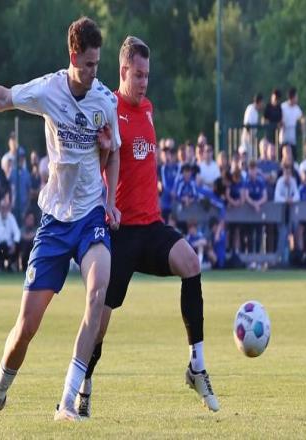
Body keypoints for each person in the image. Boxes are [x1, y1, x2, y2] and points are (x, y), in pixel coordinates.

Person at [0, 16, 121, 421]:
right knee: (26, 326)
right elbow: (1, 98)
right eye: (88, 64)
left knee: (97, 292)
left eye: (98, 64)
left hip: (90, 216)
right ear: (73, 57)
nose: (94, 71)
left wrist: (110, 201)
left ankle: (67, 401)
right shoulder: (49, 89)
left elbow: (113, 151)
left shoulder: (105, 100)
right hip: (55, 220)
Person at [76, 36, 219, 419]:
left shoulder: (149, 109)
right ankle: (83, 388)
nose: (144, 82)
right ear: (123, 71)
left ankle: (197, 367)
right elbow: (96, 162)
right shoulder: (108, 108)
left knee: (191, 263)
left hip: (151, 227)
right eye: (138, 75)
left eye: (147, 75)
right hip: (120, 233)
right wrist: (103, 149)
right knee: (98, 326)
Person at [0, 199, 21, 272]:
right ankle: (0, 265)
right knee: (2, 246)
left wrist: (14, 244)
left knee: (18, 245)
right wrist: (10, 245)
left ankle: (11, 265)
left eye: (5, 207)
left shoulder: (11, 217)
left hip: (10, 245)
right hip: (0, 246)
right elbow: (1, 237)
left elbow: (17, 232)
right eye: (2, 207)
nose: (4, 209)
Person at [280, 88, 304, 158]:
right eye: (296, 97)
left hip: (292, 140)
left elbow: (302, 118)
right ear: (292, 97)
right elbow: (278, 119)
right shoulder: (283, 107)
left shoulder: (297, 108)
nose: (297, 99)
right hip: (283, 139)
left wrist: (303, 124)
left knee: (294, 158)